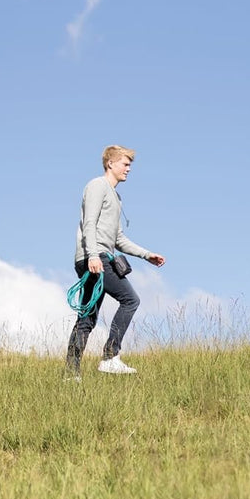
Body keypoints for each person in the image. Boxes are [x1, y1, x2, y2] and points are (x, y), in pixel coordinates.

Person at [65, 145, 165, 378]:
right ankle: (110, 357)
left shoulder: (116, 197)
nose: (129, 169)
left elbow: (118, 239)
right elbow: (89, 223)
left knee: (87, 318)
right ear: (110, 163)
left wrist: (146, 254)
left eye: (130, 165)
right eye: (125, 164)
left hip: (98, 257)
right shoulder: (97, 186)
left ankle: (71, 374)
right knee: (130, 300)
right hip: (95, 258)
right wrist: (93, 255)